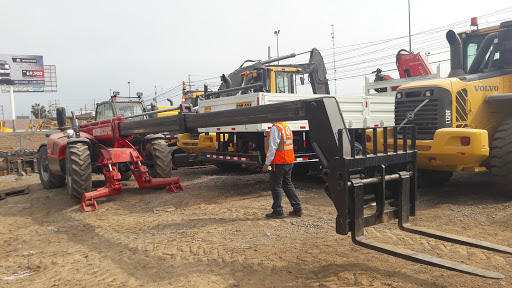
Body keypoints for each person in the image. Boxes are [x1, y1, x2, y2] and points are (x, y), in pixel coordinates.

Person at [263, 121, 303, 218]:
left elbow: (272, 147)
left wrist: (267, 163)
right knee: (287, 184)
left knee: (275, 186)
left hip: (279, 162)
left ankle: (277, 211)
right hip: (288, 160)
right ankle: (297, 208)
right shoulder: (286, 127)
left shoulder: (275, 128)